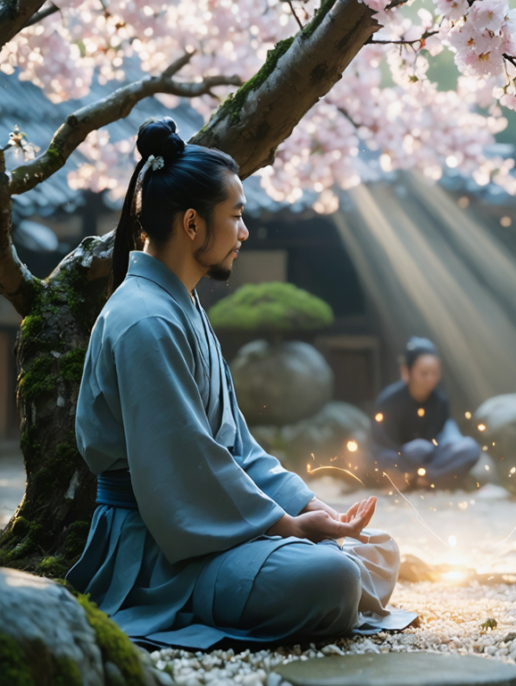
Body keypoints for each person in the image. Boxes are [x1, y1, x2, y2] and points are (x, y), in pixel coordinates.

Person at [66, 119, 415, 649]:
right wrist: (286, 528)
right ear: (191, 224)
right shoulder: (146, 320)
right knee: (332, 576)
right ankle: (319, 579)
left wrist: (306, 507)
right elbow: (184, 471)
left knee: (379, 545)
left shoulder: (179, 307)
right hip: (160, 550)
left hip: (213, 523)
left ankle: (318, 569)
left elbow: (237, 449)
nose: (245, 232)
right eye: (236, 216)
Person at [367, 337, 480, 490]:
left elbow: (445, 440)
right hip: (399, 461)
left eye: (434, 373)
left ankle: (423, 480)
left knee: (470, 448)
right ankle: (417, 480)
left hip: (431, 462)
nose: (430, 379)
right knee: (418, 449)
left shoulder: (440, 401)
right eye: (424, 373)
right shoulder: (389, 401)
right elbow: (380, 447)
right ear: (406, 372)